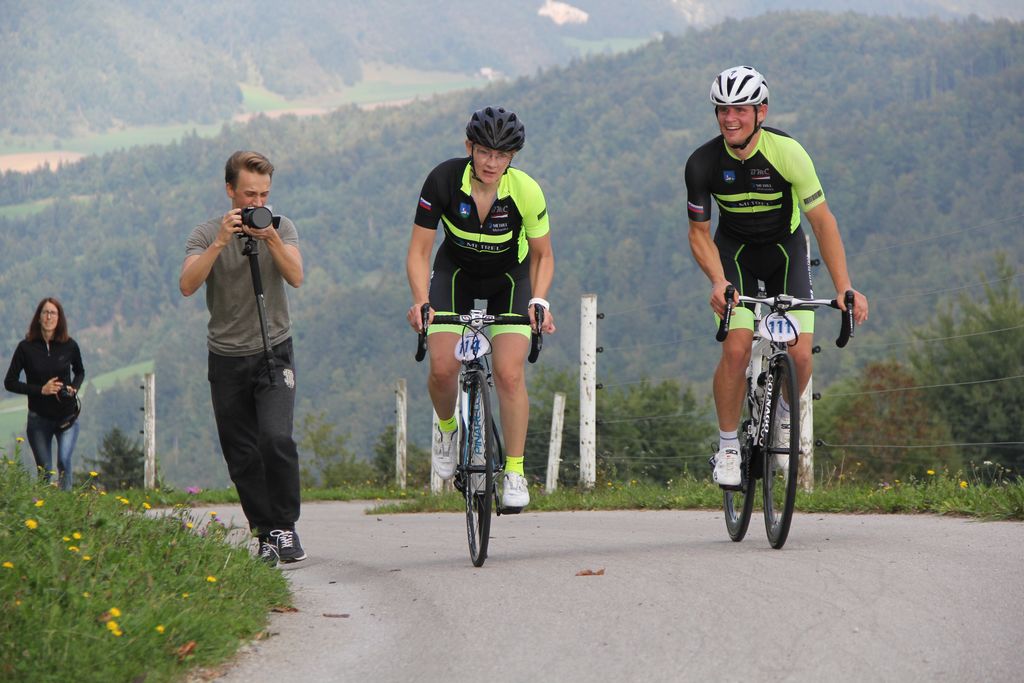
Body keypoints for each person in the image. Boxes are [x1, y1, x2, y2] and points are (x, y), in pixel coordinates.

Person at [685, 66, 869, 487]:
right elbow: (698, 234)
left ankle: (784, 416)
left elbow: (822, 222)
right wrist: (718, 281)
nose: (730, 118)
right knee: (736, 347)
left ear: (761, 112)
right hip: (734, 256)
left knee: (801, 355)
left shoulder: (788, 153)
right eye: (723, 109)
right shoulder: (702, 163)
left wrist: (844, 287)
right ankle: (728, 447)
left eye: (740, 109)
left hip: (786, 252)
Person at [406, 106, 556, 510]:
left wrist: (539, 301)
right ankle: (447, 429)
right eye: (485, 152)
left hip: (510, 279)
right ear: (469, 147)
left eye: (501, 155)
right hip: (455, 274)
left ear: (512, 157)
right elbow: (419, 250)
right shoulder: (442, 180)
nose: (491, 162)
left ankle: (515, 471)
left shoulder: (525, 190)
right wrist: (421, 300)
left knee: (509, 374)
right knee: (442, 368)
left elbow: (543, 255)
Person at [180, 150, 306, 567]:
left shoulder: (282, 227)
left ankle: (286, 526)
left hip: (274, 351)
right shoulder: (205, 234)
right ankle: (265, 533)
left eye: (264, 194)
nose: (257, 202)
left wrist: (270, 238)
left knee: (276, 439)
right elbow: (187, 284)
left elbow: (296, 276)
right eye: (249, 194)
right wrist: (221, 241)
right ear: (230, 190)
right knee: (242, 454)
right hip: (227, 359)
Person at [4, 297, 85, 491]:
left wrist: (74, 387)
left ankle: (66, 505)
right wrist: (41, 390)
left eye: (53, 313)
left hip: (67, 416)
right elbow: (9, 382)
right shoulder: (25, 348)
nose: (49, 317)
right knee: (45, 471)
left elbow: (80, 371)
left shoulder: (70, 345)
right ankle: (45, 506)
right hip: (38, 419)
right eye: (45, 312)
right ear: (38, 317)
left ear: (59, 318)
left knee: (64, 461)